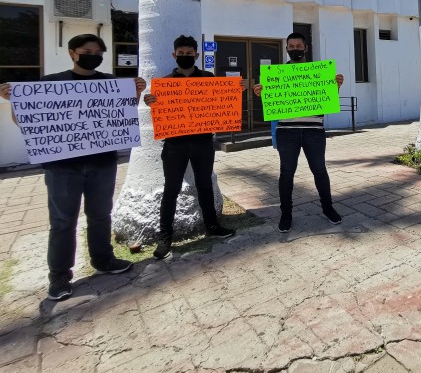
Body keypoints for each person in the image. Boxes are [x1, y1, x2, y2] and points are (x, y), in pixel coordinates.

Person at [0, 34, 146, 301]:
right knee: (62, 221)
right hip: (62, 166)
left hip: (103, 162)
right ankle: (59, 275)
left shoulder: (110, 83)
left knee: (101, 215)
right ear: (72, 53)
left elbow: (122, 114)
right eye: (87, 50)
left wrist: (135, 93)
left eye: (98, 51)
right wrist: (15, 102)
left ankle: (103, 259)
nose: (93, 54)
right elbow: (26, 122)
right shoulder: (50, 83)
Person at [142, 35, 238, 260]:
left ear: (197, 55)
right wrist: (151, 102)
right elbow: (157, 108)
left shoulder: (208, 78)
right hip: (174, 144)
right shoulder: (164, 84)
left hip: (203, 141)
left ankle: (212, 227)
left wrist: (236, 92)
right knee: (171, 190)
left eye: (189, 54)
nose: (185, 57)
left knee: (204, 184)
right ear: (174, 55)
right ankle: (165, 236)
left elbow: (221, 102)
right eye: (181, 54)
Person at [254, 32, 344, 233]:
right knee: (286, 174)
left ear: (306, 48)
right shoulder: (275, 75)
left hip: (314, 131)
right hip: (287, 132)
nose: (295, 49)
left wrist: (335, 87)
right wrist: (261, 93)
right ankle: (286, 214)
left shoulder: (319, 72)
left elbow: (325, 101)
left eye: (298, 46)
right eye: (291, 46)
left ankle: (328, 208)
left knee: (320, 171)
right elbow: (272, 105)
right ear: (286, 49)